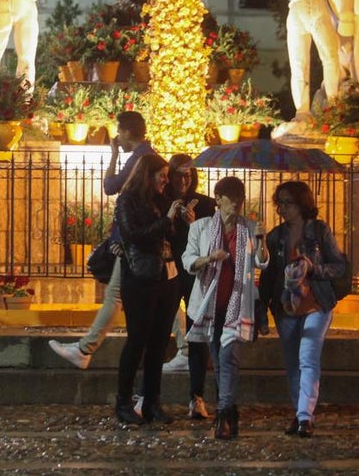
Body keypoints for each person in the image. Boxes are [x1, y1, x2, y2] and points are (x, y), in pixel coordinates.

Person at [49, 110, 155, 369]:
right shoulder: (146, 156)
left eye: (119, 132)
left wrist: (114, 155)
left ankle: (85, 350)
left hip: (133, 240)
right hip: (138, 239)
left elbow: (110, 187)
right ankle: (85, 349)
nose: (117, 136)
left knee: (119, 295)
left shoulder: (140, 158)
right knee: (126, 294)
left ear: (127, 132)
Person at [258, 180, 348, 437]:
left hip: (316, 304)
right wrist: (261, 311)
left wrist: (313, 268)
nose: (283, 208)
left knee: (308, 358)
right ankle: (300, 413)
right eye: (279, 203)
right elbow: (268, 278)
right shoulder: (275, 236)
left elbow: (339, 266)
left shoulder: (319, 231)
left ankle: (305, 417)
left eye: (288, 202)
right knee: (292, 363)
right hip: (286, 307)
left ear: (301, 203)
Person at [183, 176, 268, 438]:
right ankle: (230, 413)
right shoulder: (201, 227)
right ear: (218, 200)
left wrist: (261, 241)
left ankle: (223, 415)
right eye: (232, 199)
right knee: (219, 361)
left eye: (240, 198)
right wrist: (209, 258)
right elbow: (188, 259)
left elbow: (262, 262)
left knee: (228, 356)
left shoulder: (249, 228)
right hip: (209, 305)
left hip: (237, 304)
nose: (237, 204)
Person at [113, 153, 180, 425]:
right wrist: (166, 220)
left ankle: (152, 401)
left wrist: (181, 220)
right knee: (137, 340)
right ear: (147, 175)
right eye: (161, 175)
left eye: (166, 176)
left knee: (159, 342)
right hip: (140, 277)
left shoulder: (161, 200)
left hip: (166, 275)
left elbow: (171, 235)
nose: (165, 180)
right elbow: (132, 235)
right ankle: (123, 402)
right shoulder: (127, 200)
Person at [159, 153, 215, 421]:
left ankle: (197, 397)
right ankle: (149, 396)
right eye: (179, 175)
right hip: (168, 271)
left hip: (194, 273)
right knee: (159, 330)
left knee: (197, 333)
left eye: (188, 175)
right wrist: (170, 218)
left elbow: (212, 244)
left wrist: (194, 225)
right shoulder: (161, 202)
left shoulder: (205, 205)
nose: (184, 180)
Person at [279, 0, 346, 118]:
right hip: (298, 9)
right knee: (299, 64)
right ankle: (302, 112)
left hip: (319, 7)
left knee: (331, 57)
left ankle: (333, 109)